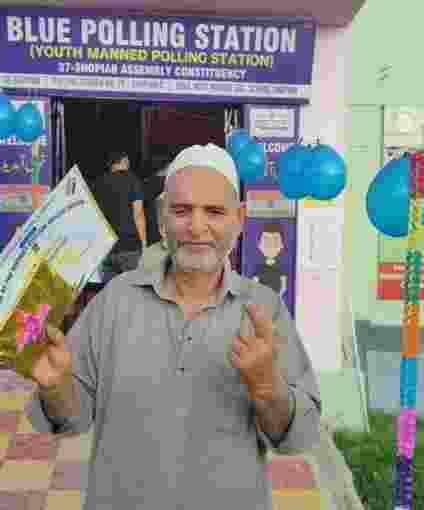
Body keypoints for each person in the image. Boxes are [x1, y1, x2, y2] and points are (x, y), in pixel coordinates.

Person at [24, 143, 321, 510]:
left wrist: (266, 387)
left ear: (239, 218)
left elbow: (297, 437)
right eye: (182, 211)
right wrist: (56, 387)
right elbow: (72, 418)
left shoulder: (263, 310)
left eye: (213, 211)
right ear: (162, 215)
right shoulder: (116, 300)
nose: (197, 227)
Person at [92, 151, 147, 280]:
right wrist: (143, 244)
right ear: (125, 162)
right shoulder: (133, 180)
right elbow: (138, 214)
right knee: (133, 291)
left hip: (106, 248)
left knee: (111, 293)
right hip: (129, 247)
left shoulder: (98, 183)